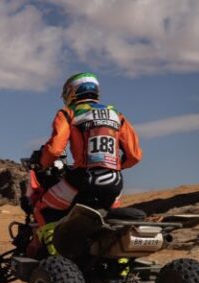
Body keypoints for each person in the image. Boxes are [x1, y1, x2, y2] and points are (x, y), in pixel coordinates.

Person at [32, 72, 142, 230]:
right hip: (114, 182)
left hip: (82, 179)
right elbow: (134, 156)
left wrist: (42, 164)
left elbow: (55, 149)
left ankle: (51, 244)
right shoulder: (117, 114)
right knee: (110, 220)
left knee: (42, 209)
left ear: (71, 91)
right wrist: (114, 166)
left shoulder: (68, 113)